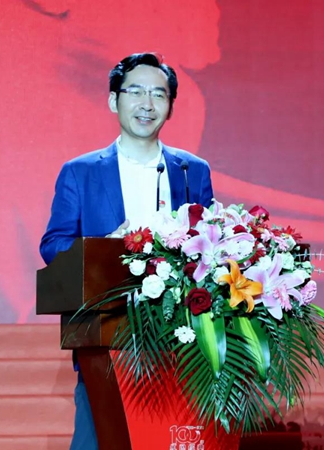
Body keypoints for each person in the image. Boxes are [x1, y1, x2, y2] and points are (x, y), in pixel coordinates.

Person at [39, 52, 215, 450]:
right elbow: (53, 245)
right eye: (135, 92)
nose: (147, 104)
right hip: (105, 338)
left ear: (171, 107)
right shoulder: (80, 172)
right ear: (113, 100)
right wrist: (106, 246)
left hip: (180, 340)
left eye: (159, 94)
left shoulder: (192, 170)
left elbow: (210, 242)